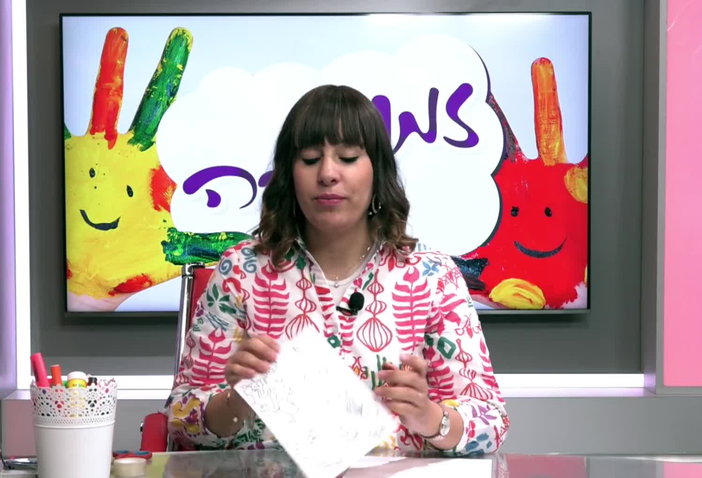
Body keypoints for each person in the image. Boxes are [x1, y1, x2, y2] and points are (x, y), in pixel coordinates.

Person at [166, 84, 508, 455]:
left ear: (377, 171)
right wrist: (238, 401)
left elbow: (490, 422)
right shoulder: (241, 271)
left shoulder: (432, 276)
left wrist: (428, 417)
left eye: (347, 157)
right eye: (310, 158)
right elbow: (181, 422)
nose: (328, 173)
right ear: (288, 174)